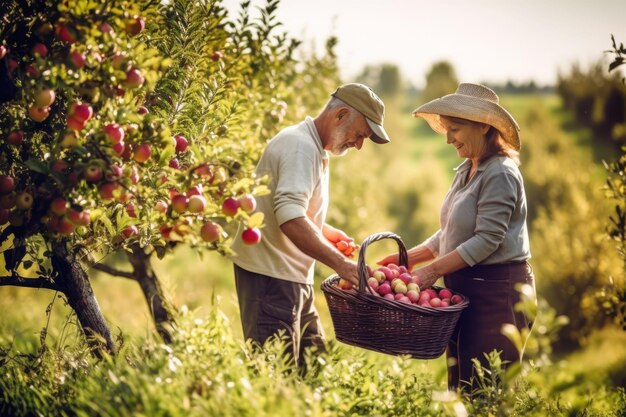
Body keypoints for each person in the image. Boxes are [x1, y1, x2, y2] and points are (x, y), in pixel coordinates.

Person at [378, 83, 535, 392]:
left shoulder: (500, 173)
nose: (447, 138)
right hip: (465, 290)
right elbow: (450, 231)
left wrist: (432, 271)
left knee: (485, 390)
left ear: (483, 126)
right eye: (446, 129)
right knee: (460, 385)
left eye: (455, 129)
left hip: (497, 294)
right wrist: (406, 259)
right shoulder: (467, 168)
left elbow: (486, 240)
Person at [229, 83, 391, 367]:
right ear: (340, 115)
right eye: (360, 134)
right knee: (275, 377)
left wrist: (325, 232)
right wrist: (341, 264)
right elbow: (290, 218)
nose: (358, 144)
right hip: (272, 278)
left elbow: (290, 209)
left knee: (313, 368)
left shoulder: (313, 148)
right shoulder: (300, 148)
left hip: (289, 276)